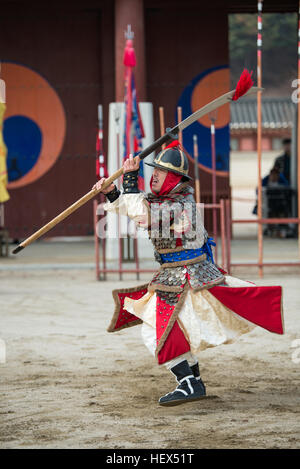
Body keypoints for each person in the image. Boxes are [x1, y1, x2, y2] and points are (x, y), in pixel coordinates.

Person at [94, 140, 284, 407]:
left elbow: (145, 213)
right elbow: (136, 210)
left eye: (161, 172)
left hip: (187, 276)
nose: (154, 175)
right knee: (171, 329)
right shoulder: (166, 200)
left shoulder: (179, 203)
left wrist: (128, 179)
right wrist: (113, 191)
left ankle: (189, 383)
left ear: (174, 178)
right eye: (154, 170)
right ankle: (192, 380)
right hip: (178, 275)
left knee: (157, 331)